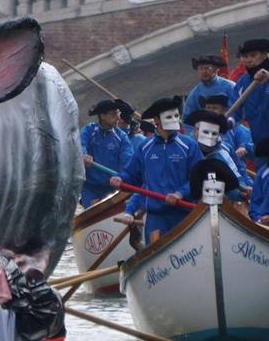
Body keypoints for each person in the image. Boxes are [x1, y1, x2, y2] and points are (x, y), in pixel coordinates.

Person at [110, 96, 204, 243]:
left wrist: (180, 194)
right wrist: (120, 179)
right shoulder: (144, 148)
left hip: (184, 214)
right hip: (156, 219)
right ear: (156, 120)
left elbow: (198, 178)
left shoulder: (190, 146)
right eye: (169, 116)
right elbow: (132, 176)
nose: (175, 120)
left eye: (176, 116)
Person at [79, 99, 135, 208]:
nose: (118, 117)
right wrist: (83, 155)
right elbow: (80, 145)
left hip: (113, 186)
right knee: (94, 214)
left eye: (118, 113)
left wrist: (123, 177)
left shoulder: (121, 137)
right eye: (114, 114)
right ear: (102, 116)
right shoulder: (89, 130)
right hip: (90, 188)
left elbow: (128, 161)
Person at [184, 108, 252, 196]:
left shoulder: (224, 153)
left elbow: (236, 179)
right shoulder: (184, 150)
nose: (210, 137)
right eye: (205, 132)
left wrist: (240, 193)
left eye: (214, 133)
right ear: (195, 131)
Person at [182, 54, 235, 125]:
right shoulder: (194, 93)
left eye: (207, 68)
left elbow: (240, 110)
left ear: (216, 70)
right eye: (201, 68)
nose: (204, 71)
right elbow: (186, 119)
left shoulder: (230, 86)